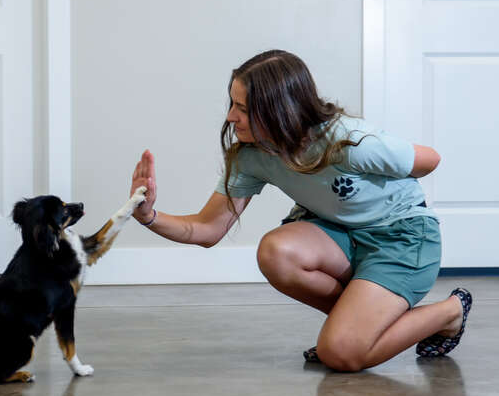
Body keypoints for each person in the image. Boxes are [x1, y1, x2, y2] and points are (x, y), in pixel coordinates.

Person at [130, 50, 472, 372]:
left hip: (401, 239)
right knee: (276, 252)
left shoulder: (349, 142)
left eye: (243, 108)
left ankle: (449, 312)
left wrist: (379, 189)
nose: (231, 117)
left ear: (280, 109)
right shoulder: (253, 156)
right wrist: (148, 217)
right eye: (232, 104)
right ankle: (352, 327)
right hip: (338, 234)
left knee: (341, 353)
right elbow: (207, 229)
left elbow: (430, 160)